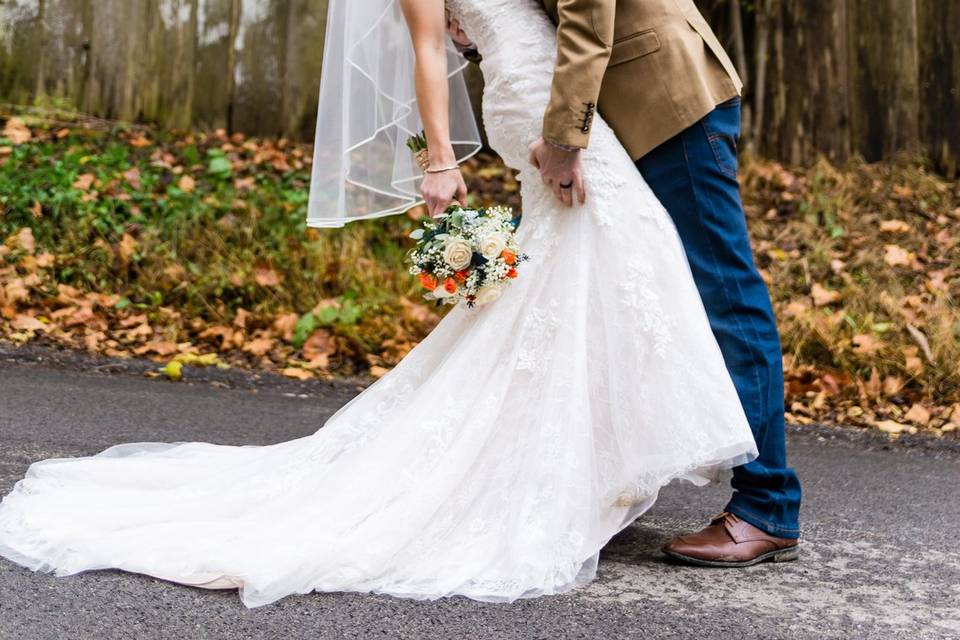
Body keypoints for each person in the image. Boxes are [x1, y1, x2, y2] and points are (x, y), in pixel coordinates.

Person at [0, 0, 780, 609]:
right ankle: (650, 484)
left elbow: (580, 15)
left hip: (643, 93)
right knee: (600, 283)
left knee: (678, 284)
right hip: (562, 108)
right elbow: (429, 53)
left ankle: (751, 500)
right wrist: (440, 157)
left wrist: (552, 130)